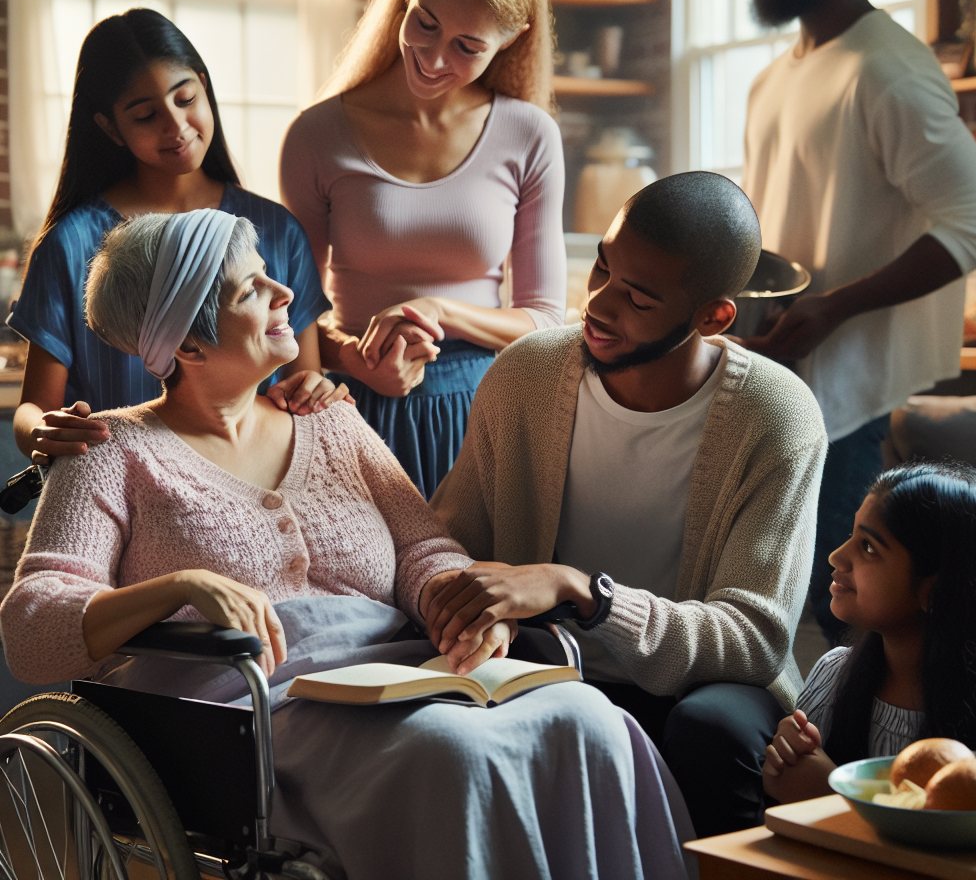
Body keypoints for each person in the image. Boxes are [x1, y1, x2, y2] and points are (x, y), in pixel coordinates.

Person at [0, 209, 693, 880]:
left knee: (588, 718)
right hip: (260, 713)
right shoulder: (110, 452)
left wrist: (457, 605)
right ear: (188, 344)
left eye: (268, 274)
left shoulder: (331, 421)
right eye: (252, 288)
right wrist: (177, 589)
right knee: (451, 753)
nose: (286, 294)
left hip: (403, 675)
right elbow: (33, 628)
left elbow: (423, 546)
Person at [425, 171, 829, 838]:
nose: (601, 307)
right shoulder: (525, 374)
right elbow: (449, 540)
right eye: (602, 271)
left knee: (714, 725)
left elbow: (753, 642)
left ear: (713, 316)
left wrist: (588, 595)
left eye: (638, 298)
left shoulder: (776, 417)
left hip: (699, 689)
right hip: (548, 665)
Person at [741, 0, 976, 643]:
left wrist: (833, 308)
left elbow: (974, 223)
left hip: (849, 406)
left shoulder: (889, 69)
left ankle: (867, 768)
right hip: (781, 387)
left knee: (842, 622)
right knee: (774, 613)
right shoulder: (774, 79)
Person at [280, 0, 566, 498]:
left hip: (486, 414)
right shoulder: (317, 134)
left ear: (511, 39)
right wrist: (356, 362)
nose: (433, 59)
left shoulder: (529, 134)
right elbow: (292, 313)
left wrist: (440, 311)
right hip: (347, 406)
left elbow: (544, 321)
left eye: (467, 46)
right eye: (426, 24)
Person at [11, 9, 338, 467]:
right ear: (110, 128)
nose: (176, 127)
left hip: (251, 482)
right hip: (120, 487)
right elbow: (34, 410)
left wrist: (312, 390)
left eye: (185, 98)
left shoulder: (277, 230)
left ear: (204, 86)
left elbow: (305, 380)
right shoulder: (71, 243)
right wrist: (43, 431)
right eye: (146, 115)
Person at [763, 462, 976, 804]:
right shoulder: (834, 675)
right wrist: (788, 759)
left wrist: (831, 796)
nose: (836, 556)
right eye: (852, 535)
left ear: (936, 589)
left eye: (868, 547)